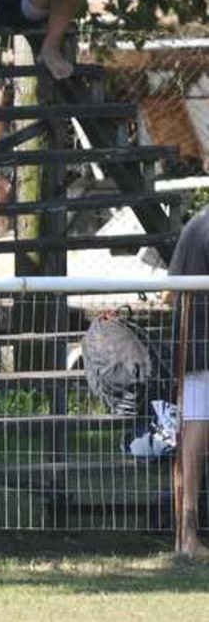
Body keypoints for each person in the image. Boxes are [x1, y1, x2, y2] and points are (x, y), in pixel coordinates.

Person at [168, 208, 209, 561]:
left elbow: (171, 293)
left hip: (190, 347)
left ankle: (186, 536)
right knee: (194, 434)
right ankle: (188, 536)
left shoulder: (194, 223)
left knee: (192, 433)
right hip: (203, 345)